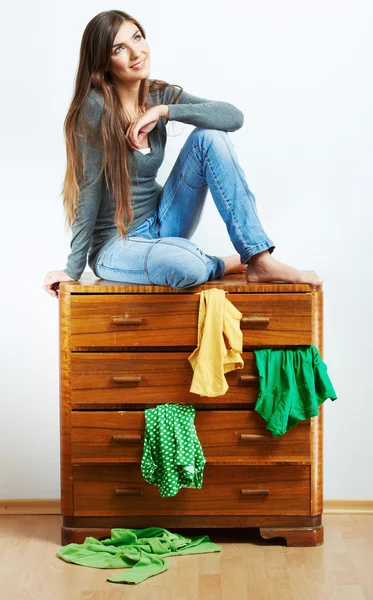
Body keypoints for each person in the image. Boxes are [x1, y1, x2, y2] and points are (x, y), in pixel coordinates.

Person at [43, 10, 322, 298]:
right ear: (103, 63)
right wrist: (73, 269)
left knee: (209, 136)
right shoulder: (94, 109)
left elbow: (232, 117)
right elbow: (87, 190)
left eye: (137, 38)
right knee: (185, 267)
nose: (136, 52)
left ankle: (259, 257)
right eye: (119, 49)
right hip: (117, 245)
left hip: (164, 220)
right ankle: (227, 262)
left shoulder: (157, 96)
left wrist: (165, 111)